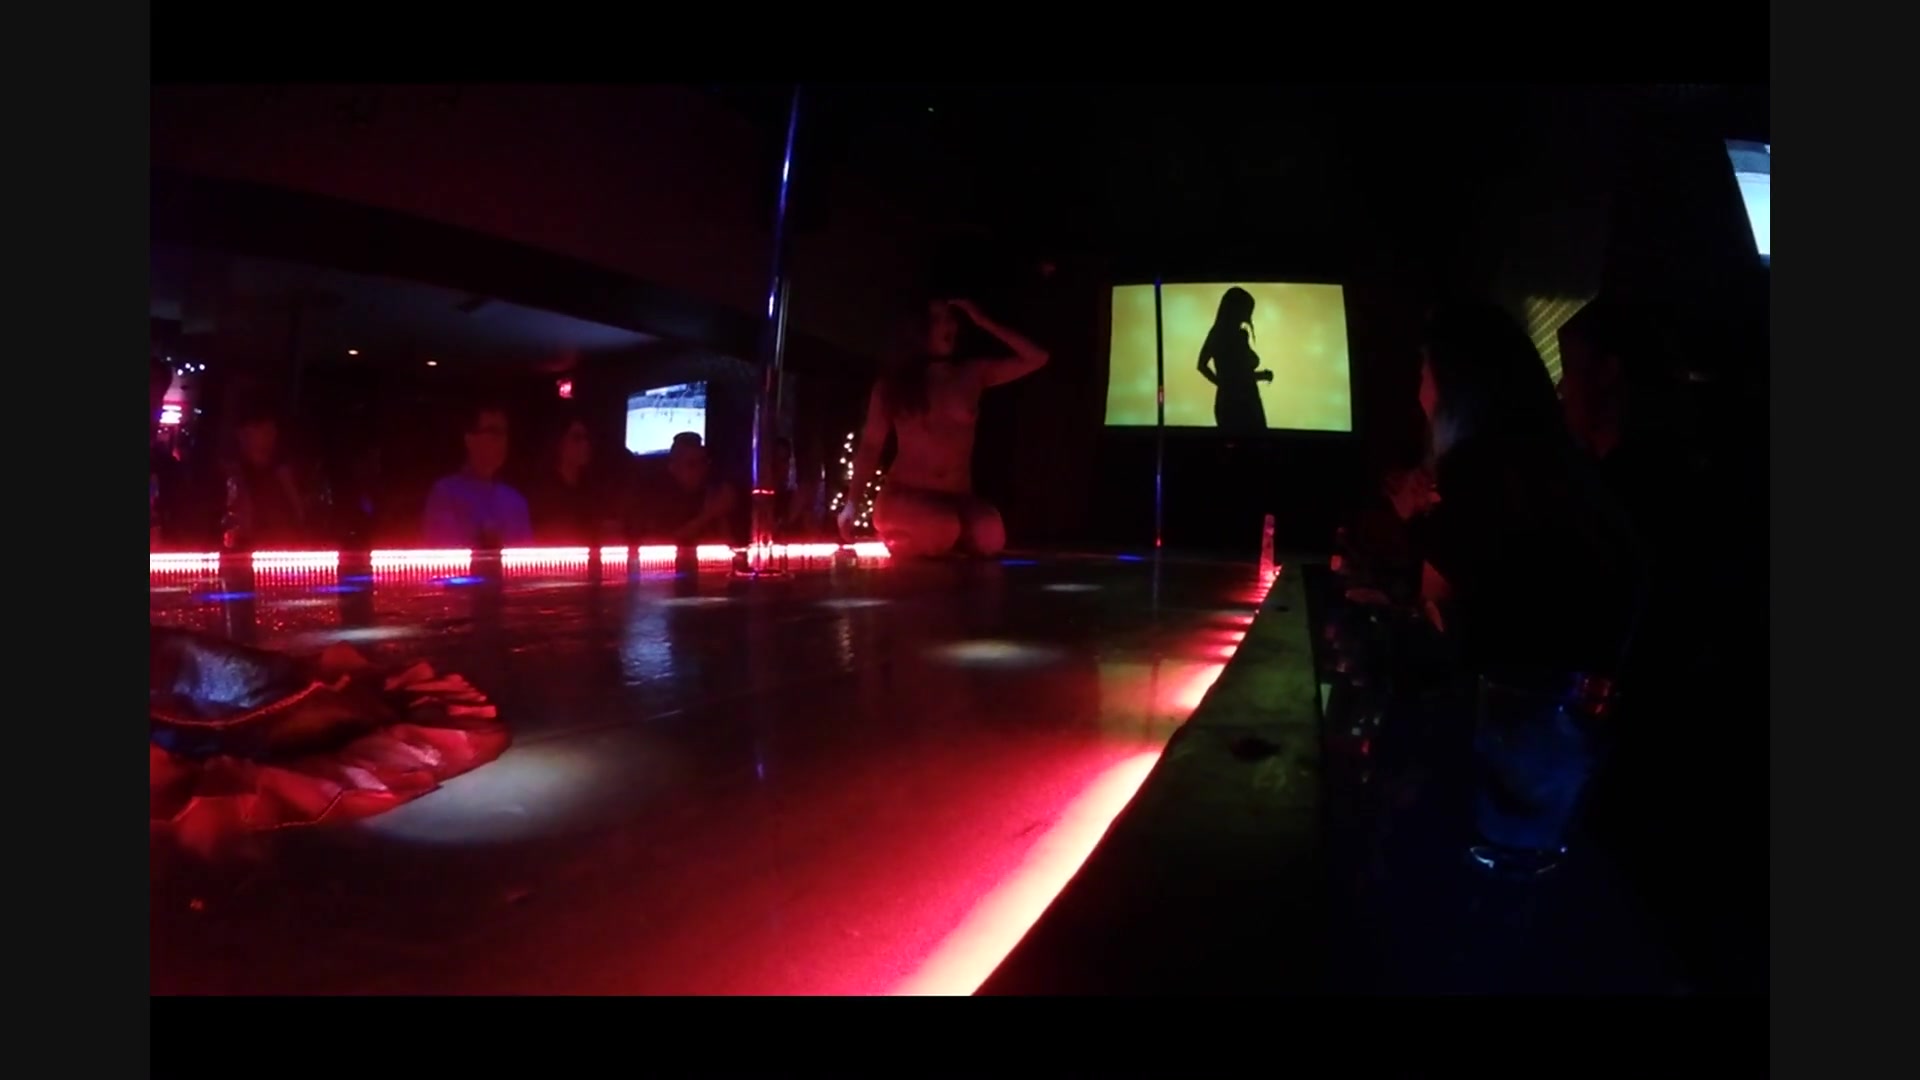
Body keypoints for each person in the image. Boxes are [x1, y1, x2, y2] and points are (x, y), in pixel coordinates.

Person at [841, 298, 1049, 557]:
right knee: (942, 528)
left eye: (951, 319)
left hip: (956, 497)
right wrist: (852, 503)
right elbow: (871, 445)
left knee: (989, 535)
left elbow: (1037, 358)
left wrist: (984, 321)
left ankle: (943, 538)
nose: (948, 326)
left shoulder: (972, 374)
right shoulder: (893, 385)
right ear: (919, 329)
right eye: (937, 320)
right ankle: (905, 533)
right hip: (907, 494)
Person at [421, 403, 533, 548]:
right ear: (469, 439)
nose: (502, 441)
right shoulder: (446, 493)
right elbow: (441, 550)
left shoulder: (516, 501)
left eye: (504, 433)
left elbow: (525, 558)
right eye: (493, 432)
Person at [225, 406, 307, 549]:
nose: (271, 435)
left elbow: (294, 497)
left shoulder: (279, 467)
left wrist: (300, 517)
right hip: (252, 536)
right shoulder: (237, 470)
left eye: (271, 431)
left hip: (277, 534)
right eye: (265, 431)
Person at [526, 413, 616, 544]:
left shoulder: (591, 490)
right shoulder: (543, 492)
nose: (585, 444)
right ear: (560, 443)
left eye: (586, 438)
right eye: (577, 438)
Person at [1196, 286, 1275, 434]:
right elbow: (1238, 376)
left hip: (1234, 402)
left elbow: (1237, 375)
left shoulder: (1223, 333)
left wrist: (1223, 384)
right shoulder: (1232, 335)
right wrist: (1225, 384)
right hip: (1242, 404)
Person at [632, 433, 737, 543]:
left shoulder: (712, 491)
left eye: (703, 462)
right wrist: (709, 515)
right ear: (673, 467)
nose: (700, 469)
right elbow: (661, 544)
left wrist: (723, 515)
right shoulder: (655, 499)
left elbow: (730, 543)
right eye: (692, 464)